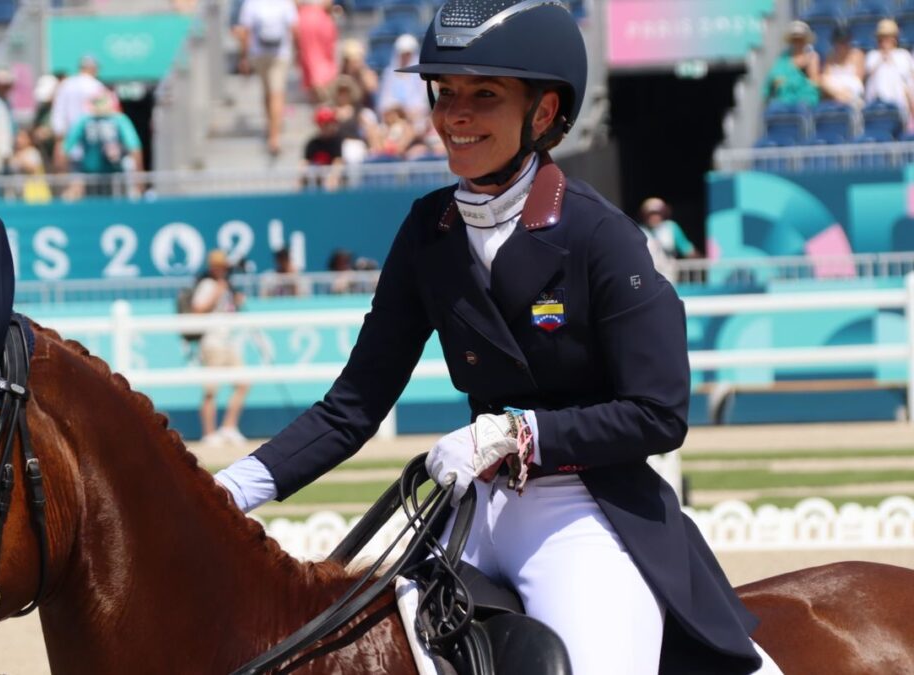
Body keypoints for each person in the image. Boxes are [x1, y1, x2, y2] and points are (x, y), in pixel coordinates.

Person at [214, 1, 768, 674]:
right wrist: (230, 488)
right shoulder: (428, 231)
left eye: (483, 95)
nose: (455, 116)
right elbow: (353, 405)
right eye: (445, 94)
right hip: (471, 514)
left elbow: (659, 411)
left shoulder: (601, 238)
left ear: (543, 113)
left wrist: (517, 433)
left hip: (582, 512)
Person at [190, 249, 250, 447]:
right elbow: (197, 310)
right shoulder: (207, 284)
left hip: (228, 340)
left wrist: (235, 300)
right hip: (212, 342)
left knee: (243, 383)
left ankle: (228, 426)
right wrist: (217, 292)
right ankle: (209, 433)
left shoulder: (225, 285)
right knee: (211, 390)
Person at [236, 0, 297, 157]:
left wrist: (243, 57)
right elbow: (294, 28)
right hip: (280, 54)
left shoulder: (251, 4)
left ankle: (272, 132)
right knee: (276, 94)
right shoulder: (285, 3)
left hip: (260, 54)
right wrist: (298, 52)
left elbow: (244, 32)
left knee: (269, 93)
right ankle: (273, 134)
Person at [62, 89, 142, 197]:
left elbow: (64, 150)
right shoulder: (119, 119)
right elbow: (135, 149)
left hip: (106, 177)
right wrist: (139, 183)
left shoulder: (85, 120)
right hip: (102, 179)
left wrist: (66, 181)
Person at [865, 18, 914, 127]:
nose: (884, 41)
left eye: (888, 37)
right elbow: (869, 73)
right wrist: (883, 57)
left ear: (894, 38)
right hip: (876, 103)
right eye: (881, 38)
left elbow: (908, 78)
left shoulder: (903, 55)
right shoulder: (873, 55)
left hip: (900, 104)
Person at [762, 20, 820, 108]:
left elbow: (813, 83)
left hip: (804, 101)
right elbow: (774, 76)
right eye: (795, 39)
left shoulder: (812, 57)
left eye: (800, 39)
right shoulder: (783, 58)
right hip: (783, 99)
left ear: (805, 40)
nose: (798, 42)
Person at [820, 24, 865, 108]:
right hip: (834, 98)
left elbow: (859, 82)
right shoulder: (830, 57)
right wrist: (837, 94)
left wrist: (846, 94)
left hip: (853, 96)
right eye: (840, 42)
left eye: (845, 42)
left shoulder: (857, 55)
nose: (843, 46)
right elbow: (824, 82)